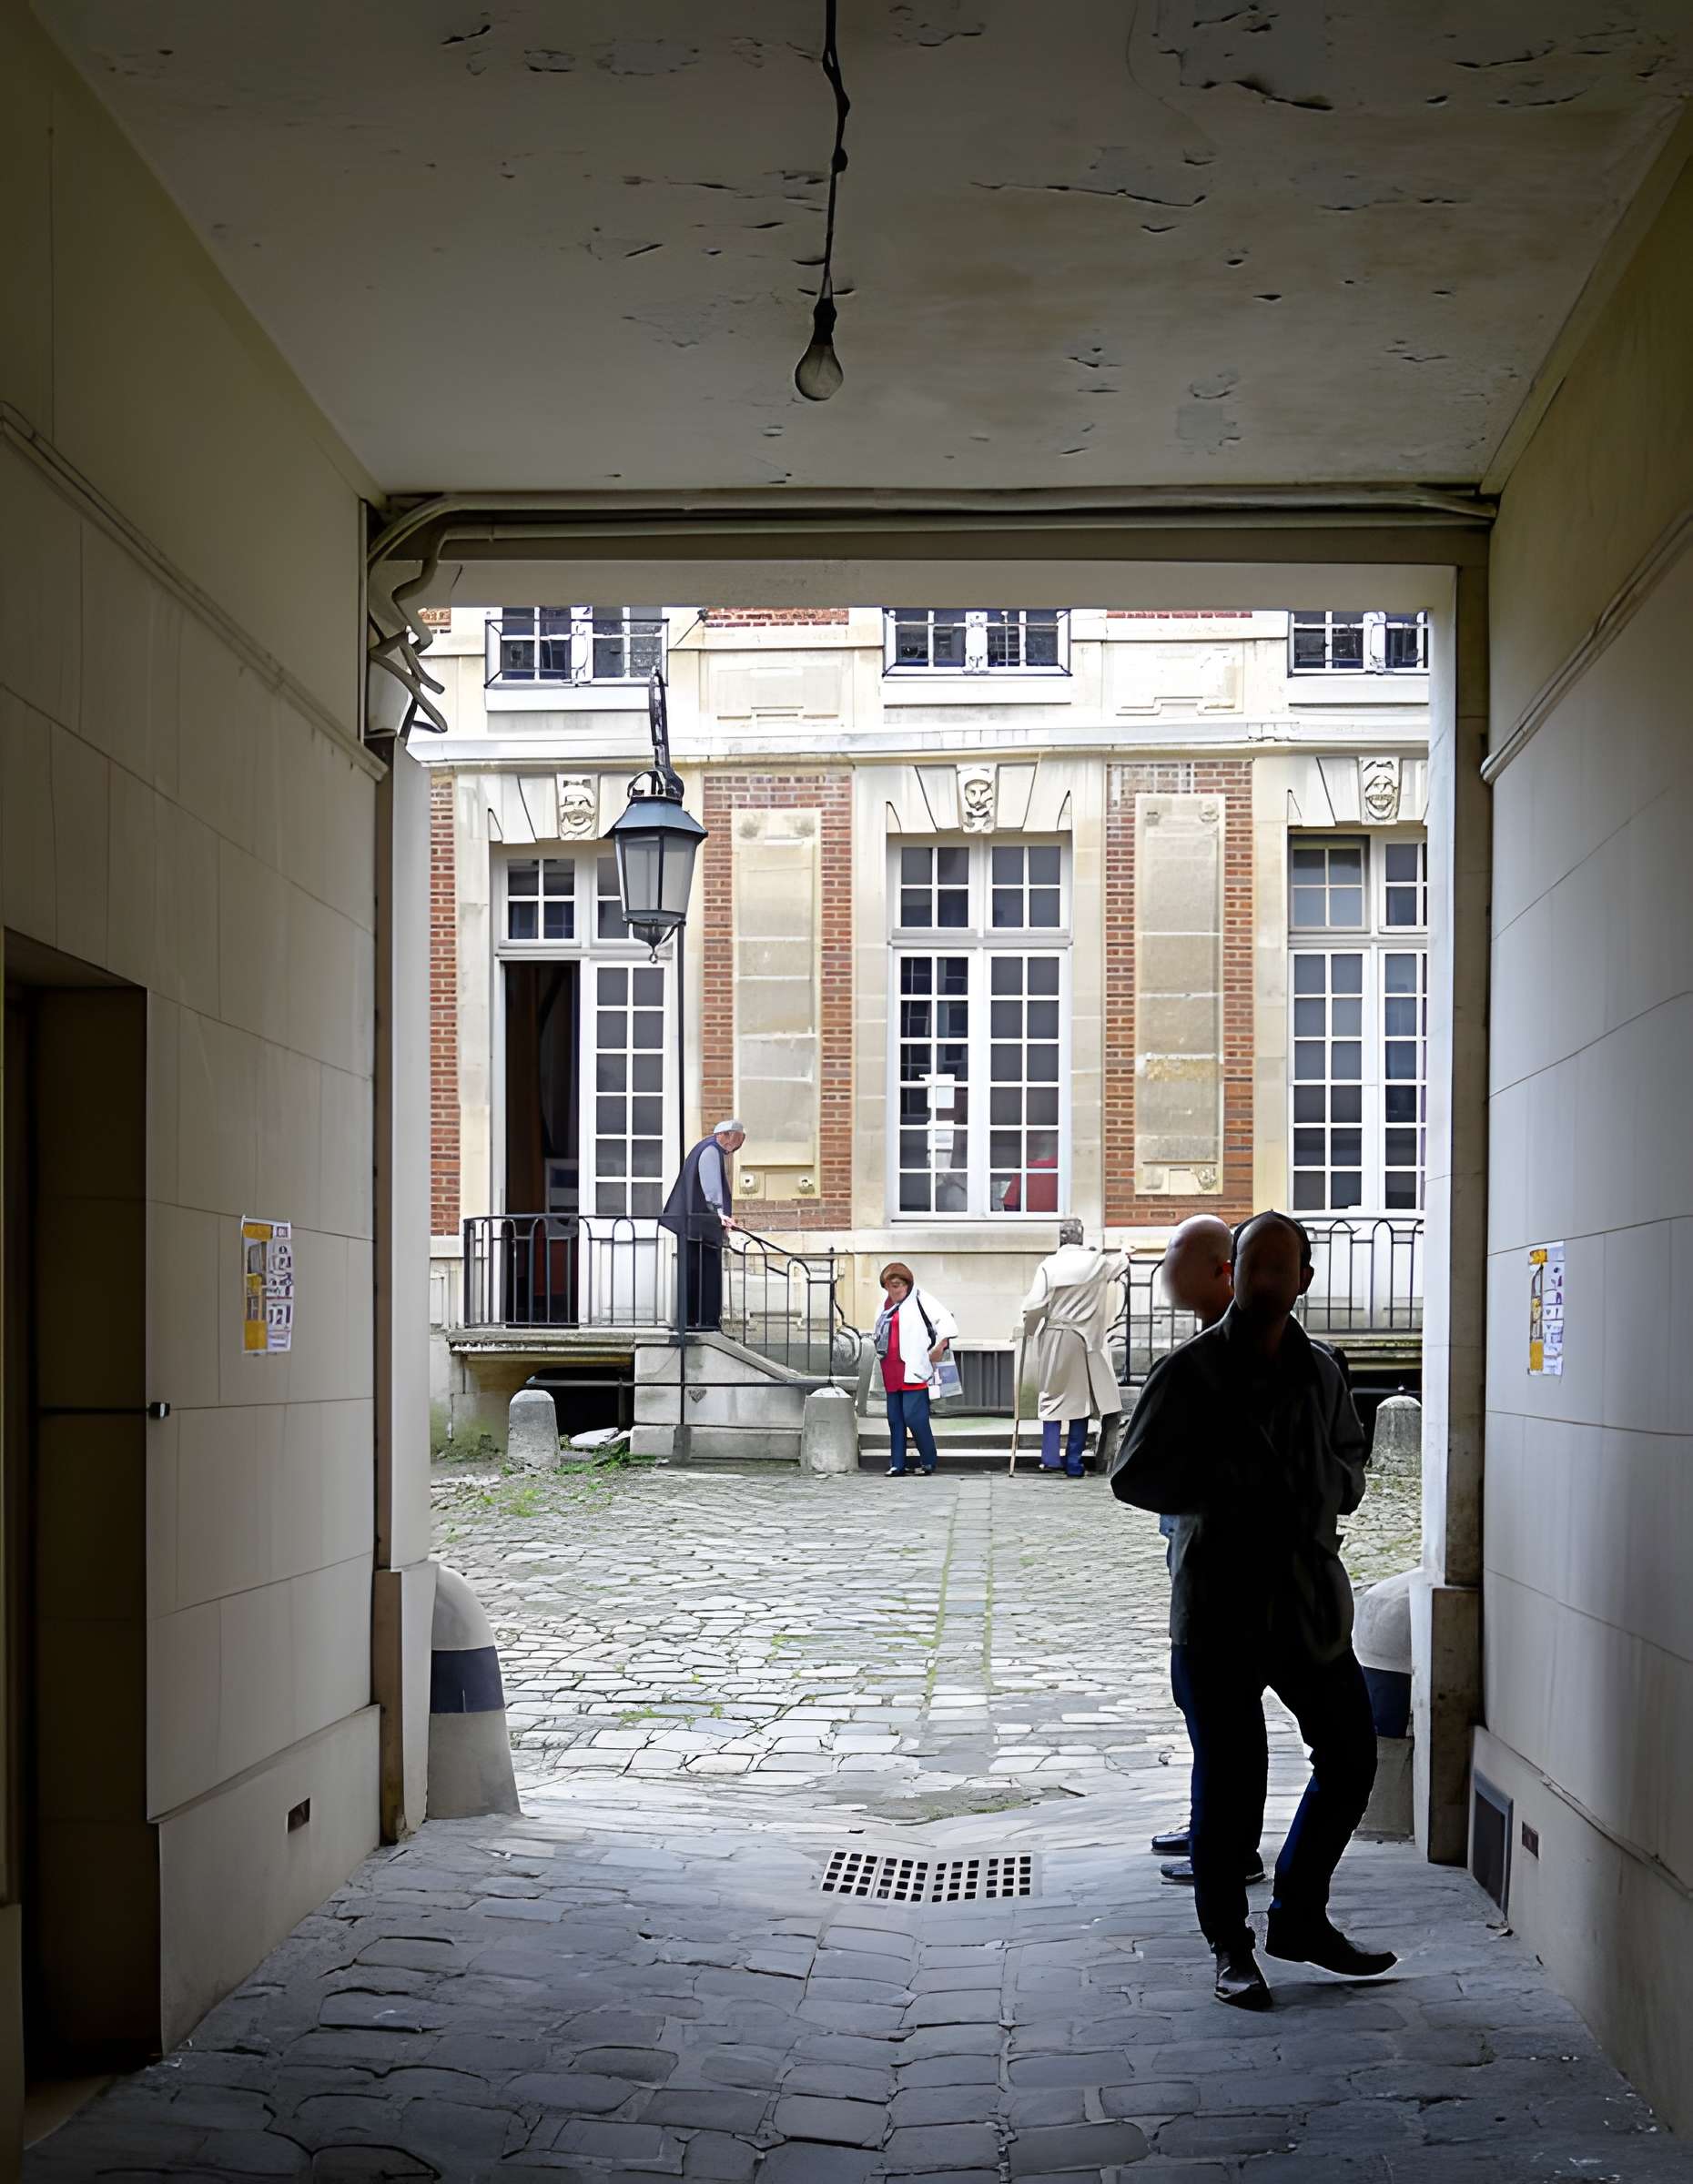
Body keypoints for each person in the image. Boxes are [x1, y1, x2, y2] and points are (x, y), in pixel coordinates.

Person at [1110, 1209, 1393, 2011]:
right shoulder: (1190, 1372)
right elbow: (1133, 1478)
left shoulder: (1323, 1370)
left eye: (1283, 1268)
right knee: (1231, 1782)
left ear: (1304, 1278)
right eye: (1254, 1266)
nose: (1268, 1280)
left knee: (1351, 1754)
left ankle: (1300, 1914)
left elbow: (1350, 1453)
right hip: (1220, 1603)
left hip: (1308, 1601)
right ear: (1235, 1272)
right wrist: (1227, 1491)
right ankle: (1229, 1945)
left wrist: (1332, 1488)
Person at [1145, 1216, 1250, 1882]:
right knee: (1204, 1707)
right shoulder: (1204, 1346)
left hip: (1229, 1567)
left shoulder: (1235, 1356)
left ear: (1219, 1269)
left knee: (1217, 1706)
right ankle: (1210, 1826)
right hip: (1193, 1550)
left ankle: (1228, 1849)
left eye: (1173, 1253)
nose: (1162, 1266)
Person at [1018, 1218, 1128, 1477]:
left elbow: (1035, 1306)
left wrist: (1029, 1330)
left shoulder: (1050, 1265)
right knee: (1080, 1402)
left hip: (1058, 1335)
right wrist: (1126, 1250)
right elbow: (1119, 1264)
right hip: (1088, 1339)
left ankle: (1050, 1457)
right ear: (1081, 1237)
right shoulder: (1097, 1262)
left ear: (1061, 1238)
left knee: (1052, 1395)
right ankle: (1074, 1463)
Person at [874, 1262, 958, 1478]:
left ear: (907, 1284)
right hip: (890, 1368)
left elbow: (947, 1322)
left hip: (913, 1368)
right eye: (891, 1286)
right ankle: (898, 1463)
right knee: (895, 1418)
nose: (896, 1290)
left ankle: (929, 1460)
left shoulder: (921, 1298)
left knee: (915, 1417)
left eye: (899, 1285)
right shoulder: (884, 1306)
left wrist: (939, 1347)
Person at [658, 1119, 745, 1330]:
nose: (735, 1146)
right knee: (705, 1275)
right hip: (700, 1227)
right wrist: (721, 1215)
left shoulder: (704, 1147)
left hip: (692, 1226)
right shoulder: (711, 1151)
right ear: (728, 1136)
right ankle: (704, 1324)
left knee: (693, 1274)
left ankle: (691, 1322)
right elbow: (711, 1189)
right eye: (737, 1139)